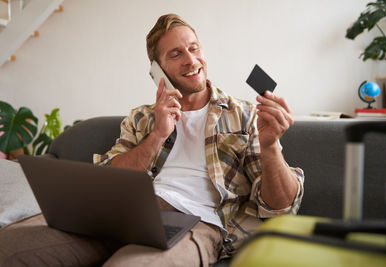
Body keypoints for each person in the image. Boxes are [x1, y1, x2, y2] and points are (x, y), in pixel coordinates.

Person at [0, 14, 304, 267]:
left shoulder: (247, 115)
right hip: (122, 215)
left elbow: (280, 207)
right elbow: (108, 181)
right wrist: (158, 134)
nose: (190, 60)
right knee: (10, 246)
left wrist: (270, 146)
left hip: (193, 222)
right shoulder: (141, 118)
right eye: (176, 54)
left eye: (194, 49)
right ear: (157, 70)